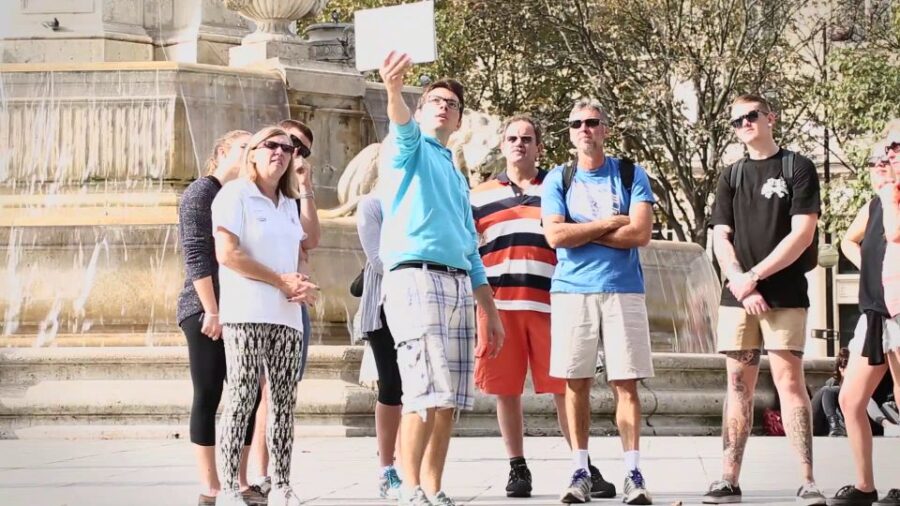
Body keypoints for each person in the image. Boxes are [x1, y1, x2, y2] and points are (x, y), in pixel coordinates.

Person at [377, 51, 505, 506]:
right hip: (414, 277)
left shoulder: (454, 170)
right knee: (423, 392)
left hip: (454, 283)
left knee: (448, 399)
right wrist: (393, 89)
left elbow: (471, 246)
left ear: (460, 119)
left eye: (451, 102)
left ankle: (433, 488)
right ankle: (409, 490)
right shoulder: (407, 148)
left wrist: (490, 310)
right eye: (434, 99)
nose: (443, 106)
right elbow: (399, 124)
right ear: (420, 108)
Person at [470, 114, 612, 500]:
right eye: (512, 138)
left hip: (554, 303)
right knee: (506, 389)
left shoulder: (559, 187)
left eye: (527, 138)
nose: (519, 143)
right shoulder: (477, 194)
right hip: (499, 307)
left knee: (565, 386)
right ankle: (517, 468)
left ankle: (582, 466)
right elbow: (469, 249)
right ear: (502, 145)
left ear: (539, 147)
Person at [705, 94, 826, 505]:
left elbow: (802, 234)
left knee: (790, 382)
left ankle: (808, 480)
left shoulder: (798, 167)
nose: (744, 125)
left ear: (770, 117)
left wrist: (755, 278)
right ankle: (727, 477)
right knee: (738, 383)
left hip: (784, 294)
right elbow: (720, 235)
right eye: (737, 121)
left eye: (751, 116)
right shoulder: (731, 174)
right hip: (737, 295)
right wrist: (741, 282)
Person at [541, 99, 656, 505]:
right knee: (576, 383)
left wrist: (579, 231)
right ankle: (580, 469)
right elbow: (554, 237)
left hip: (623, 288)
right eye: (577, 124)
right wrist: (609, 223)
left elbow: (640, 234)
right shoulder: (559, 178)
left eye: (592, 123)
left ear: (605, 128)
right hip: (572, 290)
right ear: (570, 133)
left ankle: (633, 471)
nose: (585, 129)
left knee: (625, 384)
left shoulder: (630, 173)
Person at [212, 126, 318, 506]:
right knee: (241, 397)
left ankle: (282, 482)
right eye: (270, 145)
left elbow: (300, 253)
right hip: (245, 313)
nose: (280, 152)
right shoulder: (234, 195)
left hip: (286, 316)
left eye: (287, 148)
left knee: (284, 402)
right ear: (252, 153)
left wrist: (301, 285)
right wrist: (281, 282)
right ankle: (227, 488)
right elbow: (228, 254)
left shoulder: (288, 204)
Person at [177, 130, 266, 506]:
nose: (251, 154)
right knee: (209, 392)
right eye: (245, 147)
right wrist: (211, 310)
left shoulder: (245, 195)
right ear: (223, 152)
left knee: (248, 392)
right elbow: (196, 253)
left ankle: (241, 479)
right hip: (205, 307)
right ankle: (210, 484)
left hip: (241, 307)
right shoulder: (201, 191)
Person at [248, 119, 320, 497]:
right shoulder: (247, 192)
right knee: (261, 391)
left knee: (282, 391)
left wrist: (306, 187)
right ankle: (259, 475)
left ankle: (275, 476)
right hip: (259, 302)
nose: (290, 152)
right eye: (286, 143)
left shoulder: (293, 196)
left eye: (300, 149)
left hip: (292, 304)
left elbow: (311, 240)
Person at [829, 139, 900, 506]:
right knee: (850, 398)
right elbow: (847, 240)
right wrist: (865, 267)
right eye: (875, 162)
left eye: (887, 159)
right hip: (874, 313)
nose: (880, 166)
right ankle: (865, 486)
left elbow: (895, 234)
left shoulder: (892, 202)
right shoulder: (874, 205)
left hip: (899, 310)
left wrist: (891, 194)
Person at [356, 194, 404, 499]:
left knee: (417, 390)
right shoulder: (373, 205)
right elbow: (377, 259)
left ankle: (411, 464)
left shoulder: (421, 199)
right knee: (391, 386)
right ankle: (387, 467)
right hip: (382, 309)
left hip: (420, 303)